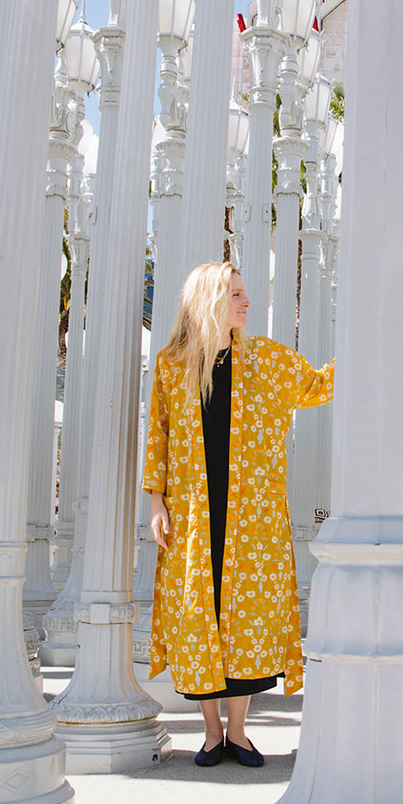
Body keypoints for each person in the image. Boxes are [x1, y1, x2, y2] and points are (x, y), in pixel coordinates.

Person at [143, 262, 334, 768]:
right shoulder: (171, 363)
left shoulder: (266, 359)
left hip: (252, 516)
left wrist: (369, 346)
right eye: (237, 295)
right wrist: (156, 500)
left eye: (245, 294)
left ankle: (241, 732)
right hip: (192, 514)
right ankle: (211, 735)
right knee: (200, 619)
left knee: (245, 620)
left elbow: (317, 385)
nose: (247, 303)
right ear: (210, 300)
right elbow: (158, 434)